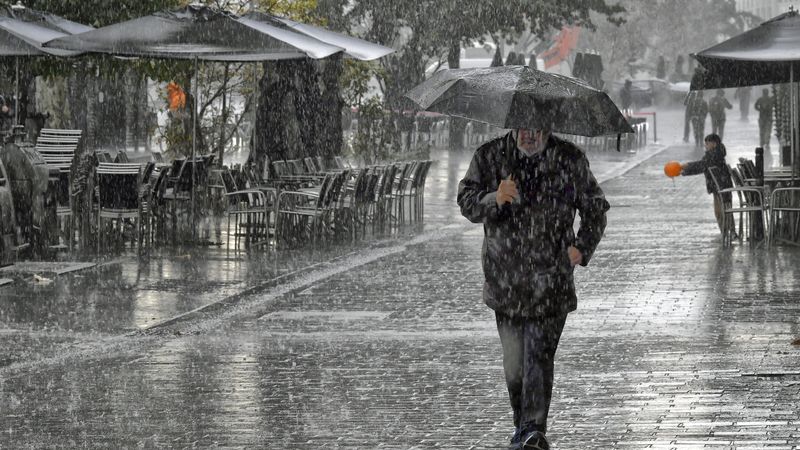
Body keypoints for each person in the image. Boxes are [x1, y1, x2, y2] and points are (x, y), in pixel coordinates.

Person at [457, 128, 609, 450]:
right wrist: (494, 198)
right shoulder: (490, 156)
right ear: (513, 126)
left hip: (551, 280)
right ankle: (522, 425)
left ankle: (532, 429)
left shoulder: (568, 158)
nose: (530, 135)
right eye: (524, 128)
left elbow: (595, 207)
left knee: (537, 357)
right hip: (505, 282)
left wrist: (581, 247)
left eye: (537, 128)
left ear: (548, 126)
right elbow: (466, 201)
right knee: (514, 364)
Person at [681, 134, 735, 236]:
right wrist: (686, 171)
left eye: (707, 143)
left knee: (722, 211)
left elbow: (702, 165)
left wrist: (687, 167)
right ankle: (727, 232)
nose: (705, 146)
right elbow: (702, 165)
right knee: (722, 211)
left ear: (714, 144)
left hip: (721, 186)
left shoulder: (715, 155)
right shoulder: (714, 154)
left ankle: (728, 232)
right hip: (719, 186)